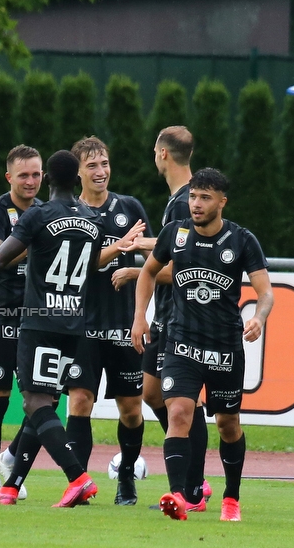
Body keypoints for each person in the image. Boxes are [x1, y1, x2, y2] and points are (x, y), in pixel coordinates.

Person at [0, 150, 141, 507]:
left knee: (35, 401)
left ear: (47, 179)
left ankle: (78, 476)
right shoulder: (93, 219)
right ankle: (11, 485)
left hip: (39, 321)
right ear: (76, 180)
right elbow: (87, 268)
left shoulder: (38, 216)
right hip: (75, 325)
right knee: (41, 404)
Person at [132, 168, 273, 522]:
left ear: (221, 202)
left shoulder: (242, 240)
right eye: (193, 196)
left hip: (225, 347)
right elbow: (149, 271)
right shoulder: (174, 234)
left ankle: (231, 499)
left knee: (228, 423)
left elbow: (265, 292)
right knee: (178, 412)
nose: (196, 204)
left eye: (205, 198)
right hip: (181, 342)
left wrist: (259, 317)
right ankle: (180, 497)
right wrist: (139, 316)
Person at [115, 126, 213, 512]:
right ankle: (190, 476)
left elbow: (185, 266)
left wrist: (141, 271)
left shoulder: (185, 202)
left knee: (181, 404)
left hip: (183, 319)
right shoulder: (180, 199)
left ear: (162, 155)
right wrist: (143, 254)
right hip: (166, 316)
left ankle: (195, 485)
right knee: (153, 394)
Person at [62, 136, 151, 506]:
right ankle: (79, 483)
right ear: (78, 171)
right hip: (81, 326)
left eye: (104, 164)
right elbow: (80, 263)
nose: (100, 172)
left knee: (131, 409)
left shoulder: (129, 207)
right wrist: (121, 246)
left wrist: (143, 250)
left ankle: (126, 477)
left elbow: (155, 253)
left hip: (123, 325)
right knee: (79, 401)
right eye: (92, 166)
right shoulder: (68, 213)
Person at [0, 145, 43, 500]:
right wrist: (35, 240)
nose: (30, 181)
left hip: (40, 314)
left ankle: (12, 456)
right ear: (9, 178)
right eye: (23, 175)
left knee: (43, 399)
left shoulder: (48, 211)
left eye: (36, 174)